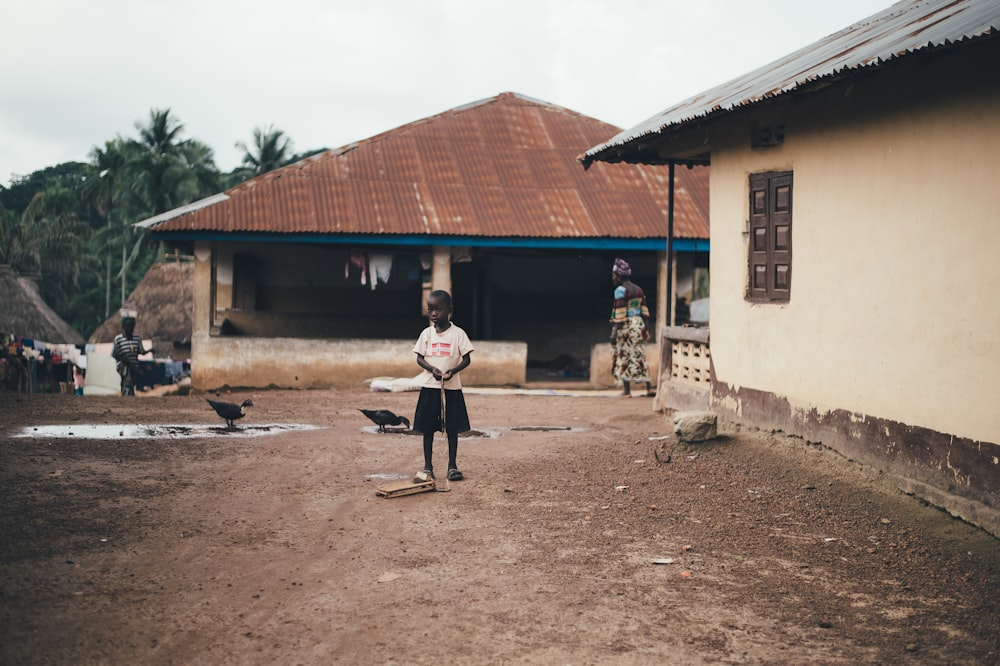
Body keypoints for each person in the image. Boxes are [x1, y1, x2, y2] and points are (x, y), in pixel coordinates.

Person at [412, 289, 474, 482]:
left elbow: (467, 359)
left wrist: (452, 372)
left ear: (450, 310)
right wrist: (432, 369)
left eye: (438, 309)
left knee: (452, 428)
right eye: (430, 310)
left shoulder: (458, 334)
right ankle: (428, 467)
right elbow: (419, 358)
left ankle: (452, 466)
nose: (433, 314)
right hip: (430, 387)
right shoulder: (426, 334)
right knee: (428, 428)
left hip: (452, 389)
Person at [609, 258, 655, 398]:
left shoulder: (620, 291)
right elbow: (645, 311)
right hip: (639, 324)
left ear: (619, 275)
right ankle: (649, 388)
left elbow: (620, 312)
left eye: (614, 275)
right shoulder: (639, 290)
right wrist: (646, 329)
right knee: (639, 355)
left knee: (624, 356)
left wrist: (614, 332)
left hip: (627, 326)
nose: (613, 278)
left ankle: (627, 391)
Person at [111, 315, 149, 397]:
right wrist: (125, 360)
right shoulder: (118, 339)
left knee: (130, 382)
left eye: (132, 327)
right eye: (128, 327)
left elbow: (141, 351)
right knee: (127, 380)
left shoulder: (137, 339)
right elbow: (114, 354)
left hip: (134, 366)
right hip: (123, 365)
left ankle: (126, 396)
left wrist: (150, 351)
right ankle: (127, 397)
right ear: (123, 327)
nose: (130, 329)